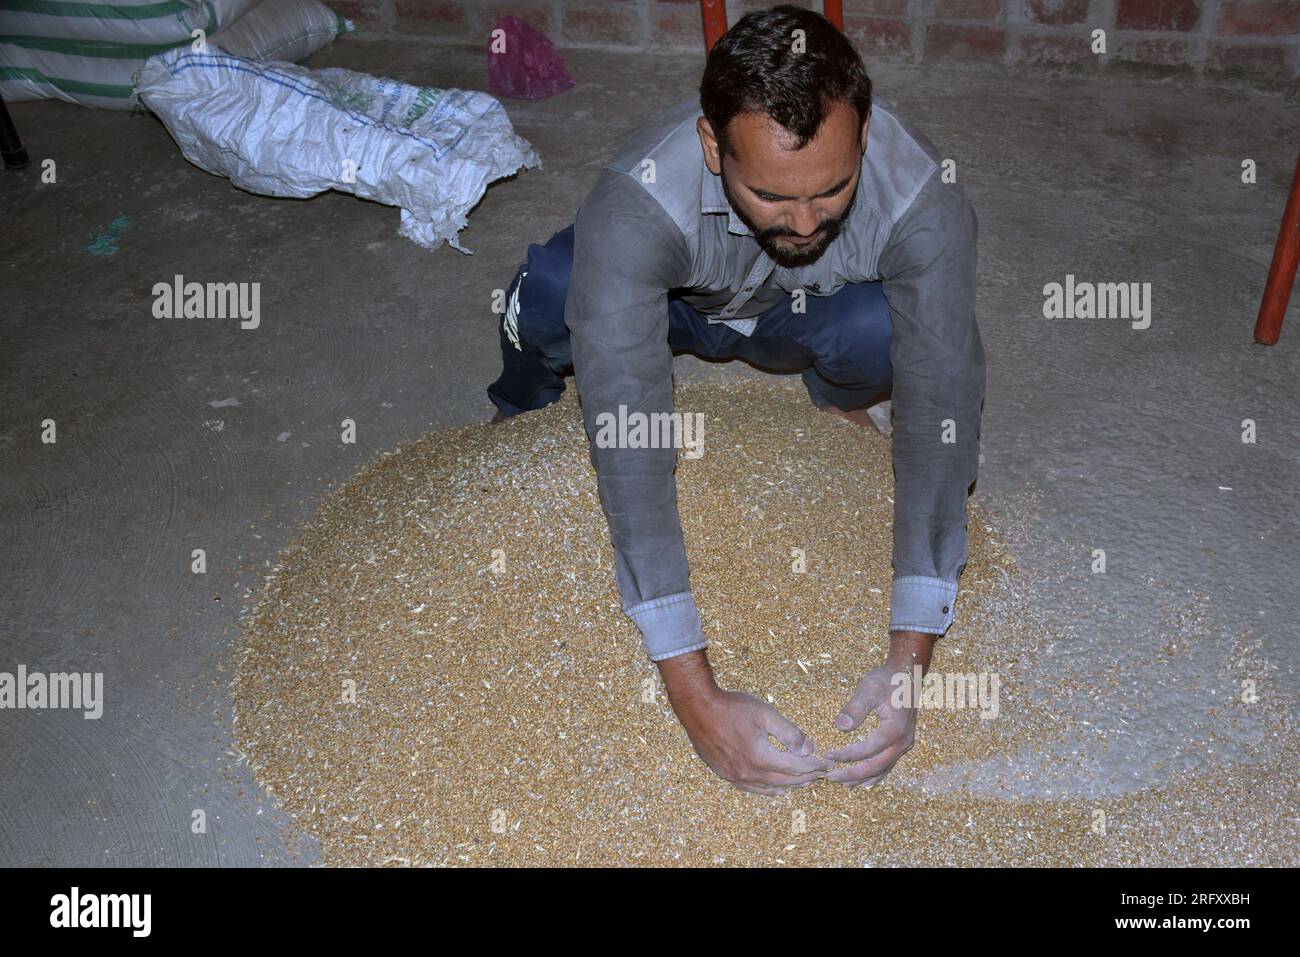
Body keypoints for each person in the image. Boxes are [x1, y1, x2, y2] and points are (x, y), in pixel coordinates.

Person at [487, 4, 985, 795]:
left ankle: (834, 399)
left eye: (832, 191)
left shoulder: (923, 197)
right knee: (549, 295)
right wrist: (696, 698)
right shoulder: (635, 202)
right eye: (773, 196)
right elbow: (630, 433)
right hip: (679, 296)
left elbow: (942, 404)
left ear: (864, 138)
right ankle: (517, 420)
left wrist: (910, 658)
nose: (804, 221)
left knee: (884, 336)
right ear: (713, 147)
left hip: (800, 313)